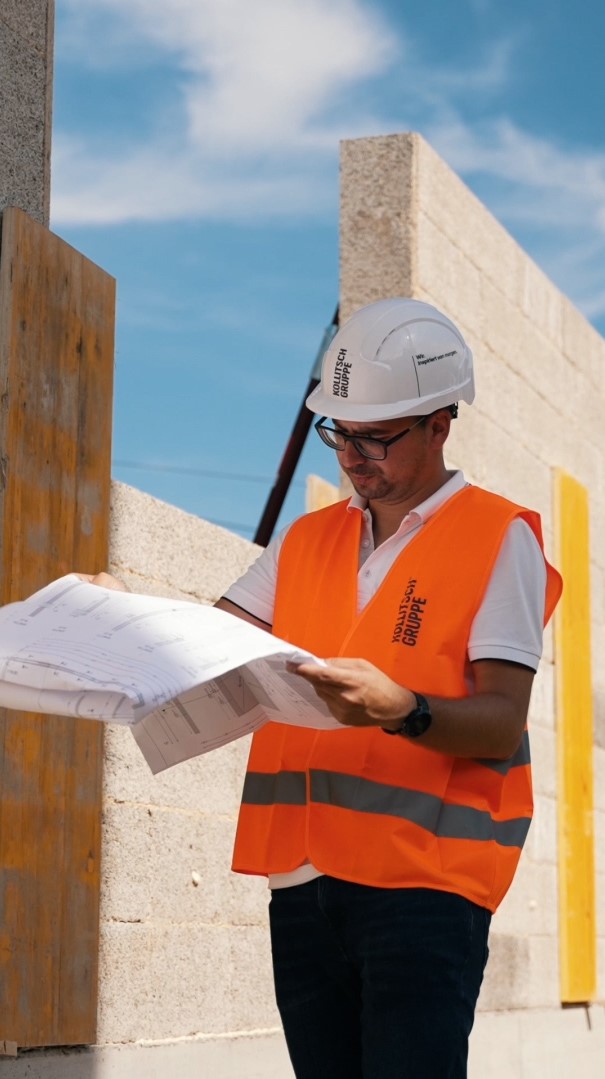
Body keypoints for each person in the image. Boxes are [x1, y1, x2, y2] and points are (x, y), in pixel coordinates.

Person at [213, 298, 562, 1079]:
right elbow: (212, 643)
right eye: (338, 432)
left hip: (423, 889)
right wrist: (115, 622)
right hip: (302, 881)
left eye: (376, 435)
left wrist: (402, 711)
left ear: (440, 424)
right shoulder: (305, 540)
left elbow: (501, 722)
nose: (352, 454)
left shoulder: (496, 535)